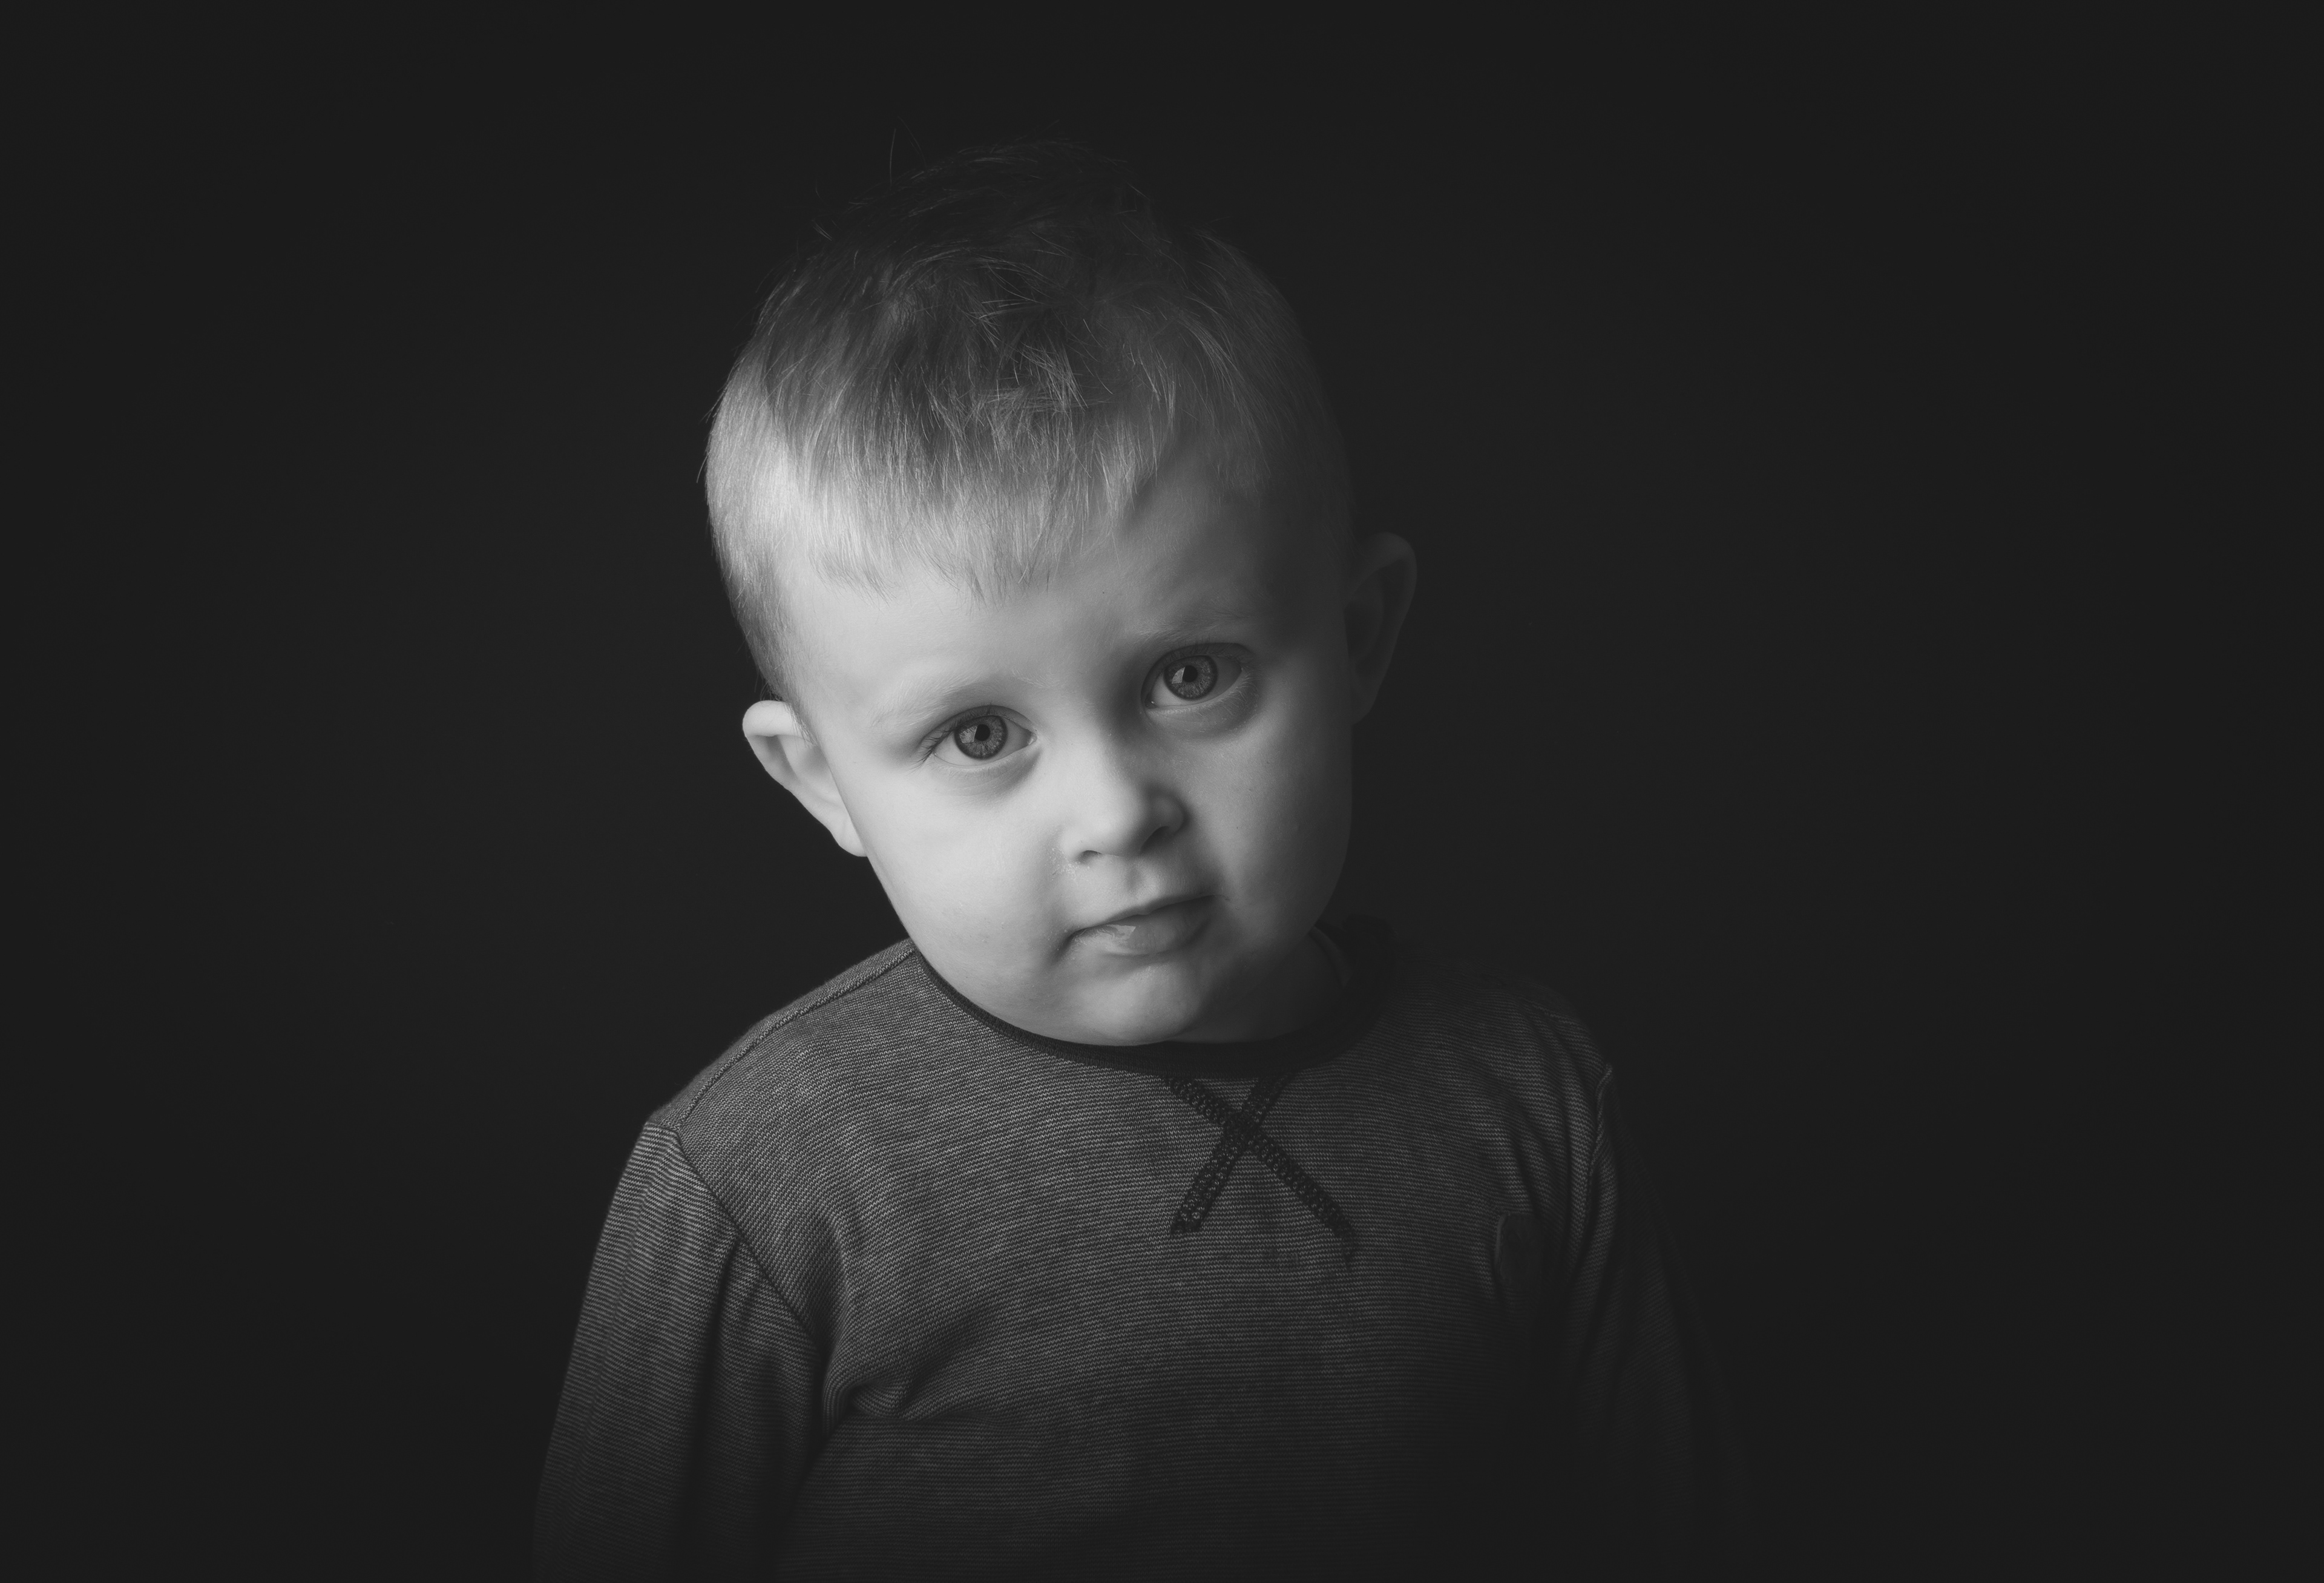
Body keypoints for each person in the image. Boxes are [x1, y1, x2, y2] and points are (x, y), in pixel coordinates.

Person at [536, 142, 1742, 1579]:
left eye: (1190, 676)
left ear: (1359, 635)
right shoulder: (761, 1174)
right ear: (824, 783)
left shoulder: (1530, 1101)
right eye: (981, 734)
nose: (1116, 814)